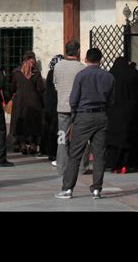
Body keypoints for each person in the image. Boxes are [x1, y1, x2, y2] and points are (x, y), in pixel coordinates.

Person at [55, 47, 115, 200]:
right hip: (101, 115)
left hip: (83, 116)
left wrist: (75, 113)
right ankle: (97, 189)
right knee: (99, 154)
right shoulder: (108, 77)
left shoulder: (81, 76)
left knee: (75, 153)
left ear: (87, 59)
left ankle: (68, 188)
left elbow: (73, 99)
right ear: (100, 60)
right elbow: (112, 100)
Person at [53, 39, 86, 177]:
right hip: (78, 107)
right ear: (78, 51)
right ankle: (82, 167)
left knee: (62, 138)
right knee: (82, 137)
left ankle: (61, 167)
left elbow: (55, 85)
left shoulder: (58, 66)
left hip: (62, 107)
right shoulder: (82, 67)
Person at [106, 56, 138, 173]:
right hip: (128, 112)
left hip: (113, 113)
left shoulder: (110, 75)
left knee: (113, 141)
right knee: (126, 140)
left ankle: (114, 165)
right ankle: (125, 165)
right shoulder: (132, 76)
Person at [10, 54, 44, 155]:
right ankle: (33, 145)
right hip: (34, 101)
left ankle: (22, 144)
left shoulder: (16, 72)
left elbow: (12, 88)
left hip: (19, 101)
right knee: (33, 122)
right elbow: (41, 89)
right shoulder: (36, 73)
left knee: (21, 121)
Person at [41, 54, 63, 165]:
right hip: (58, 105)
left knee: (51, 130)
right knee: (59, 131)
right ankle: (58, 153)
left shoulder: (50, 73)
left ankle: (51, 152)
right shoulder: (59, 74)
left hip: (50, 105)